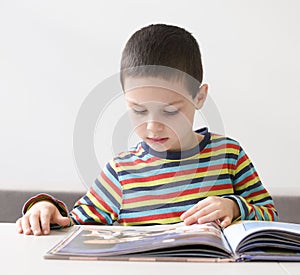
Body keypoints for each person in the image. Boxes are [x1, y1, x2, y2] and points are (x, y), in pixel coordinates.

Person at [16, 24, 278, 236]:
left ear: (199, 97)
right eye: (138, 111)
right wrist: (44, 207)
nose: (152, 126)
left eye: (170, 111)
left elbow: (270, 216)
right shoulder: (121, 172)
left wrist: (233, 206)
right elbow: (72, 223)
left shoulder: (229, 155)